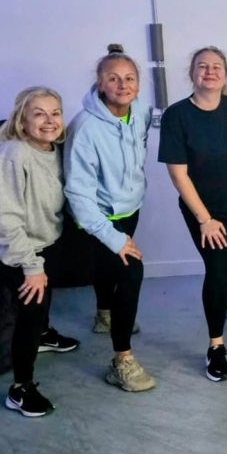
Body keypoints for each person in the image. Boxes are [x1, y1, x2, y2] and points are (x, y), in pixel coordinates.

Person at [0, 87, 78, 416]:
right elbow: (7, 223)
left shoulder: (54, 150)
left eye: (55, 113)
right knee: (32, 304)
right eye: (39, 114)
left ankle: (41, 335)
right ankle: (21, 389)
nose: (49, 121)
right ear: (21, 119)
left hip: (42, 239)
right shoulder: (12, 155)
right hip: (4, 245)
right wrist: (32, 267)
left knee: (44, 293)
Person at [158, 47, 227, 382]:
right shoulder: (177, 116)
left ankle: (226, 299)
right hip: (205, 212)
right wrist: (205, 219)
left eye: (217, 66)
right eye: (202, 66)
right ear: (192, 74)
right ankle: (216, 346)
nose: (210, 71)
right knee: (218, 269)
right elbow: (178, 174)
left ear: (226, 74)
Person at [65, 48, 155, 393]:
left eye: (129, 78)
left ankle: (105, 314)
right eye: (113, 78)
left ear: (138, 84)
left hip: (129, 209)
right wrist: (113, 237)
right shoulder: (85, 127)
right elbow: (78, 194)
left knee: (108, 270)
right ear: (100, 84)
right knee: (131, 271)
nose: (122, 84)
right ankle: (123, 361)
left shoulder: (141, 112)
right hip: (96, 217)